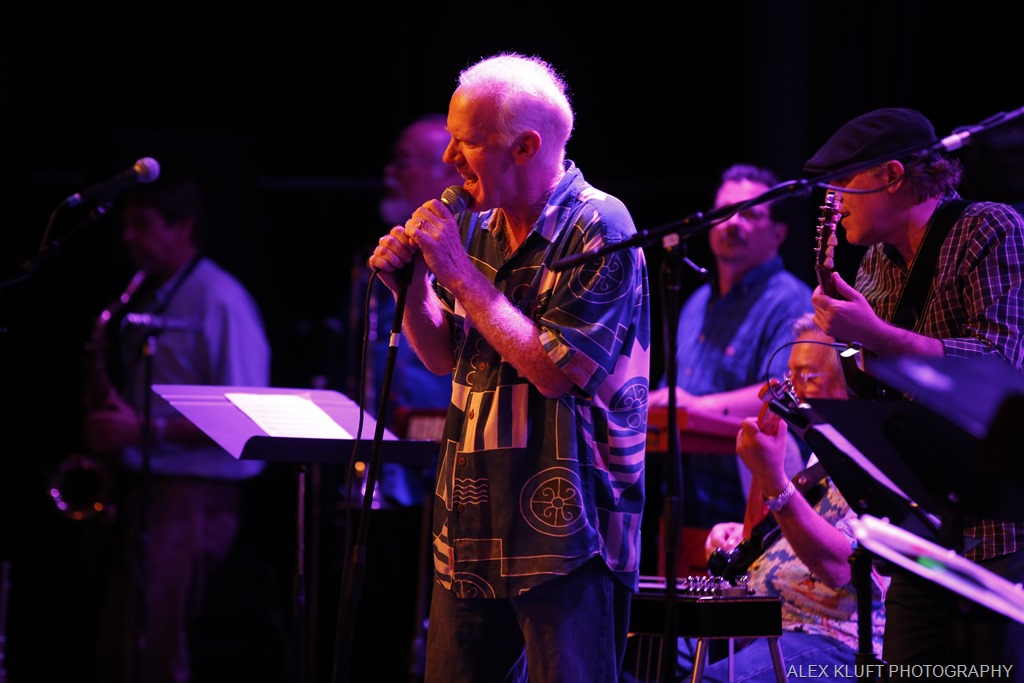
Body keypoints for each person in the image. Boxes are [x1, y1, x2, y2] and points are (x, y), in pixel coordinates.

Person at [368, 52, 650, 682]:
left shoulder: (599, 225)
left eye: (466, 142)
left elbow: (555, 369)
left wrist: (457, 274)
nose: (449, 158)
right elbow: (443, 357)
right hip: (472, 520)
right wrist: (411, 288)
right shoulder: (478, 225)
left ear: (525, 147)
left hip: (567, 532)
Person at [804, 107, 1024, 677]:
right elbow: (876, 396)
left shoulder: (989, 229)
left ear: (892, 175)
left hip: (1002, 536)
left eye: (843, 182)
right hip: (922, 538)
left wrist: (874, 335)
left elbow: (1000, 365)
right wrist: (849, 347)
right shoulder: (875, 264)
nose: (834, 200)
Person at [83, 175, 273, 683]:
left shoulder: (220, 299)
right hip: (152, 485)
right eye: (127, 225)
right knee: (129, 639)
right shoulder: (153, 293)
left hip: (195, 493)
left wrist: (143, 430)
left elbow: (247, 417)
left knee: (158, 644)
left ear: (183, 227)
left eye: (143, 224)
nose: (128, 237)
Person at [681, 313, 887, 682]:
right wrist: (743, 538)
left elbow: (840, 568)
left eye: (808, 377)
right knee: (652, 645)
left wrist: (773, 479)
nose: (793, 392)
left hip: (834, 641)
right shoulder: (816, 456)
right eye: (791, 377)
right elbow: (795, 532)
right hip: (767, 626)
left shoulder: (877, 463)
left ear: (850, 385)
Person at [649, 163, 813, 532]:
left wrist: (695, 406)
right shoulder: (696, 303)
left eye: (750, 214)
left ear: (778, 233)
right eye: (724, 212)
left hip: (750, 514)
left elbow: (784, 396)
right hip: (681, 509)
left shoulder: (791, 302)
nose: (732, 223)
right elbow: (668, 394)